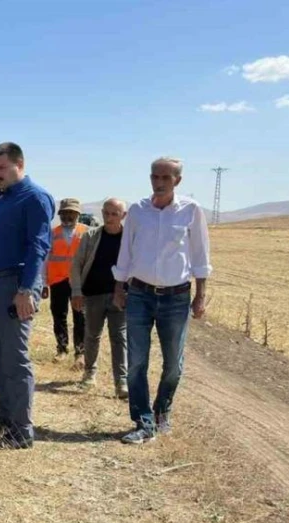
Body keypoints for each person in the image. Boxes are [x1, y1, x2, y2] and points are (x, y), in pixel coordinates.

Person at [112, 157, 212, 444]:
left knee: (173, 365)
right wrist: (119, 287)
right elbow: (126, 253)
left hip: (176, 297)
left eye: (165, 178)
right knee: (136, 362)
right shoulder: (137, 211)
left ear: (177, 181)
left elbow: (200, 257)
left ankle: (161, 412)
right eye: (154, 176)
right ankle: (143, 422)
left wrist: (201, 296)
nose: (158, 182)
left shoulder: (191, 211)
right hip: (139, 295)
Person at [0, 142, 55, 448]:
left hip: (14, 286)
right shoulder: (4, 199)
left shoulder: (35, 198)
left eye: (1, 169)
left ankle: (22, 430)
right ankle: (6, 414)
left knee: (15, 358)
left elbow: (38, 247)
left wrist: (26, 290)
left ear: (19, 166)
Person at [70, 198, 128, 398]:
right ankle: (89, 375)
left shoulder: (130, 238)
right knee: (92, 336)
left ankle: (121, 382)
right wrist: (76, 291)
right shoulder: (91, 236)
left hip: (120, 298)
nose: (110, 218)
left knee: (119, 338)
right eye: (107, 213)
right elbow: (76, 264)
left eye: (115, 214)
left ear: (124, 216)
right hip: (93, 295)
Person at [43, 198, 89, 366]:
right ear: (60, 214)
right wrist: (44, 283)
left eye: (72, 213)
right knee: (59, 315)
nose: (68, 216)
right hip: (57, 281)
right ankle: (62, 349)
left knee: (80, 316)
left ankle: (80, 352)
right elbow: (45, 260)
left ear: (78, 214)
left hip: (80, 282)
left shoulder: (87, 232)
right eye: (65, 213)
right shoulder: (52, 233)